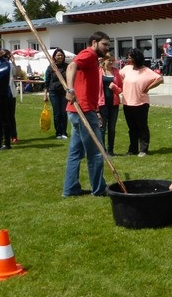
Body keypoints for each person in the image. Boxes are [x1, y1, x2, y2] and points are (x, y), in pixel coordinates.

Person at [63, 31, 111, 197]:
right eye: (104, 44)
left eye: (108, 45)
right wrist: (70, 89)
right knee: (96, 152)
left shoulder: (92, 58)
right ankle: (99, 189)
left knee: (75, 153)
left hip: (78, 110)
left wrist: (95, 109)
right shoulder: (89, 54)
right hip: (82, 111)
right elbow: (71, 66)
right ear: (94, 43)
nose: (107, 48)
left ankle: (70, 189)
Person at [118, 48, 163, 157]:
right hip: (127, 103)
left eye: (130, 57)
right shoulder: (126, 68)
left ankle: (143, 149)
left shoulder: (146, 70)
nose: (128, 59)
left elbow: (160, 79)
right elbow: (119, 76)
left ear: (136, 58)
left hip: (141, 103)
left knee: (142, 127)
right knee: (131, 128)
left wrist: (148, 88)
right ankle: (132, 149)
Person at [100, 54, 123, 156]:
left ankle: (110, 150)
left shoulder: (116, 72)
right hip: (102, 104)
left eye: (112, 60)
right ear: (104, 60)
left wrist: (115, 88)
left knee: (112, 128)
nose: (111, 62)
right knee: (102, 128)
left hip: (114, 104)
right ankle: (102, 150)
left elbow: (120, 88)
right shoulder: (99, 71)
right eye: (109, 60)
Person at [44, 49, 70, 139]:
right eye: (58, 55)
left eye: (61, 55)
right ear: (54, 57)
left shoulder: (67, 66)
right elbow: (47, 82)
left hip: (64, 92)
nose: (60, 57)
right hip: (54, 92)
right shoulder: (51, 67)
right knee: (57, 113)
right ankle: (58, 133)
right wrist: (45, 95)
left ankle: (64, 132)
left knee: (64, 113)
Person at [4, 50, 20, 144]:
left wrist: (13, 62)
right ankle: (4, 136)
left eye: (7, 56)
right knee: (2, 116)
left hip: (10, 92)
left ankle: (13, 136)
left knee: (11, 116)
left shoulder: (10, 65)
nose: (6, 58)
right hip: (0, 93)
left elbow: (17, 73)